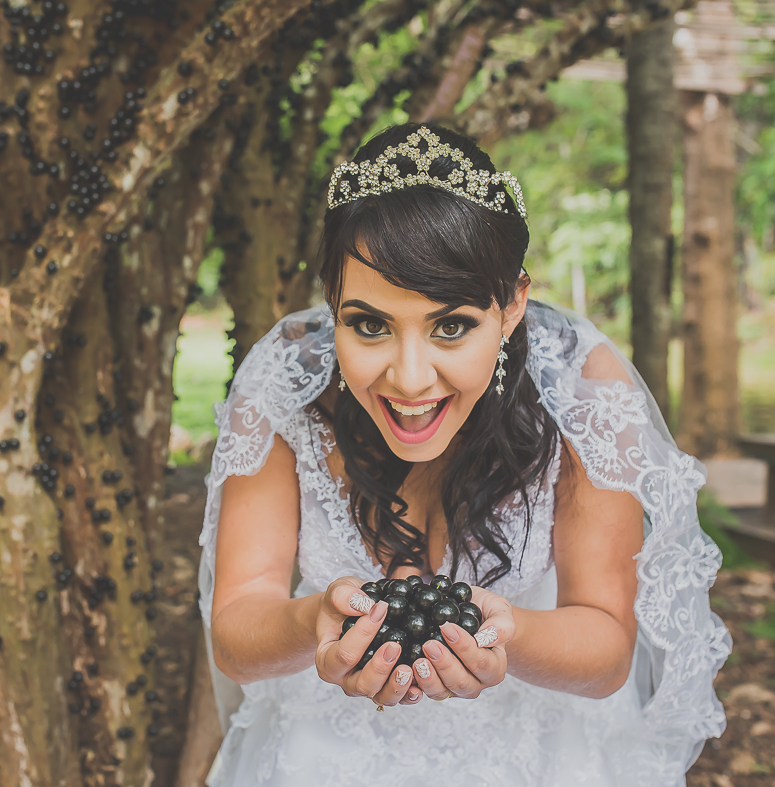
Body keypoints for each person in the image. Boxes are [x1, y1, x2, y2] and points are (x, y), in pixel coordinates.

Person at [196, 123, 730, 787]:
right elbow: (238, 628)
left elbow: (609, 649)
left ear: (510, 306)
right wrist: (313, 621)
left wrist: (510, 635)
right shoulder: (284, 390)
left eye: (451, 326)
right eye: (368, 325)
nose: (411, 378)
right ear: (331, 304)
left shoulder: (583, 393)